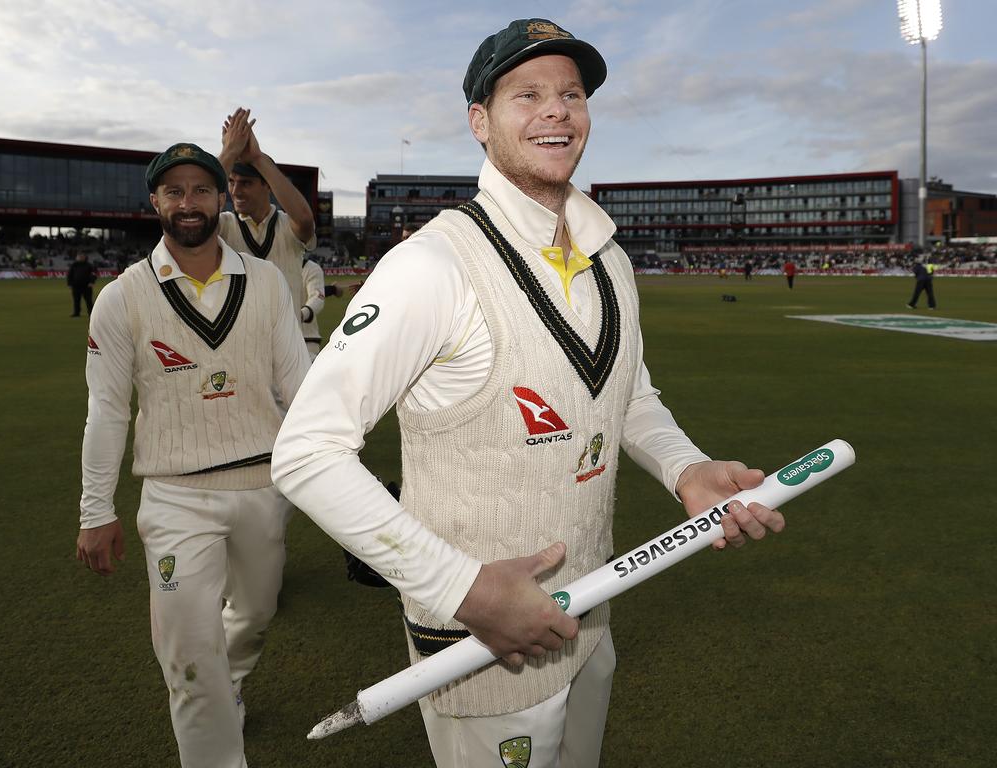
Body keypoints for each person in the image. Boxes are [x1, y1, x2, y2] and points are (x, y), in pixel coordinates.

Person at [272, 18, 785, 768]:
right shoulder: (433, 264)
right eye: (528, 94)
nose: (557, 110)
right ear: (480, 122)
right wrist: (464, 589)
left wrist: (685, 467)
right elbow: (306, 453)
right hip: (481, 645)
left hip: (589, 613)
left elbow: (626, 393)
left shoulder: (607, 257)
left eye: (572, 93)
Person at [75, 142, 310, 768]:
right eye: (173, 191)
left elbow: (299, 386)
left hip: (263, 486)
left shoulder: (264, 283)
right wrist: (95, 510)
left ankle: (226, 681)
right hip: (175, 495)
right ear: (154, 201)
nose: (188, 203)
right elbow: (107, 410)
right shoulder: (121, 297)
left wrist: (334, 463)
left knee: (255, 614)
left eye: (200, 190)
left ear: (218, 200)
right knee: (186, 653)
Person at [218, 107, 316, 329]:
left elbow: (305, 220)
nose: (235, 191)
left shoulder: (286, 225)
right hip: (237, 344)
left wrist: (258, 158)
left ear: (267, 186)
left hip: (286, 345)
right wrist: (228, 152)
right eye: (232, 182)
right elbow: (202, 209)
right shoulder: (223, 225)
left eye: (246, 183)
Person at [300, 255, 327, 360]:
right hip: (278, 340)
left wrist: (302, 314)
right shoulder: (273, 268)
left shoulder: (311, 268)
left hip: (307, 340)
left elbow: (317, 297)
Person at [67, 251, 96, 316]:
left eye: (82, 256)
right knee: (76, 300)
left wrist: (92, 282)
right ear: (76, 257)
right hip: (76, 286)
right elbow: (70, 275)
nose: (80, 257)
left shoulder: (89, 265)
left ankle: (91, 313)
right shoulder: (74, 265)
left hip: (87, 286)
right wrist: (69, 284)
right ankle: (76, 312)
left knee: (89, 301)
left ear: (85, 257)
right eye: (79, 256)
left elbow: (93, 275)